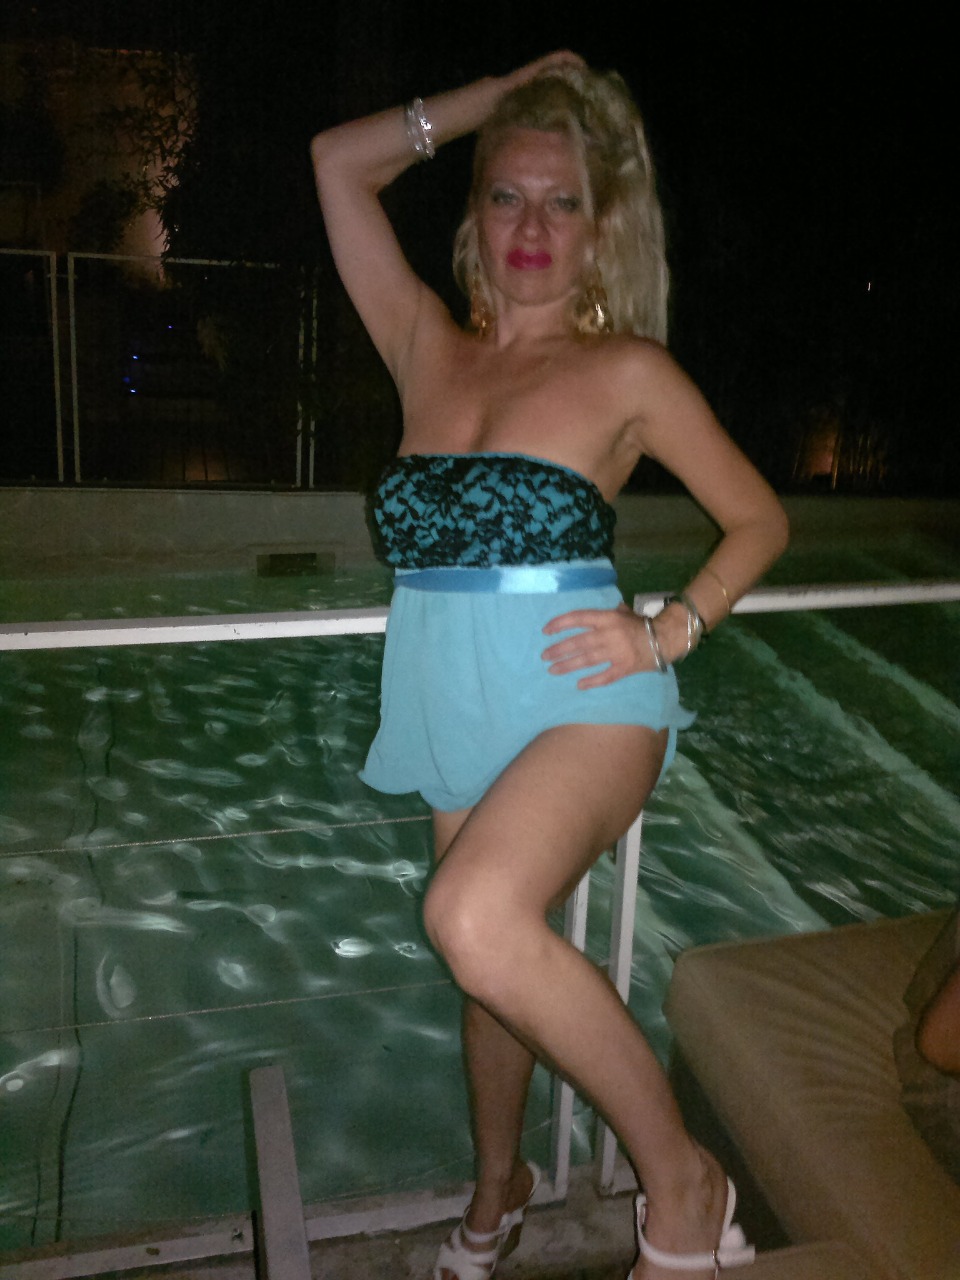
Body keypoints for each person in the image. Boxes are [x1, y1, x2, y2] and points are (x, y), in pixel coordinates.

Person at [311, 51, 789, 1280]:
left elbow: (759, 519)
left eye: (562, 201)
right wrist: (511, 91)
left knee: (471, 916)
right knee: (492, 972)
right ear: (474, 216)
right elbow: (337, 164)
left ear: (600, 228)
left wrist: (671, 627)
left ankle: (683, 1179)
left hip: (587, 696)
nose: (532, 227)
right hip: (448, 702)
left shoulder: (628, 371)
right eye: (507, 196)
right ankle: (499, 1185)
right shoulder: (422, 340)